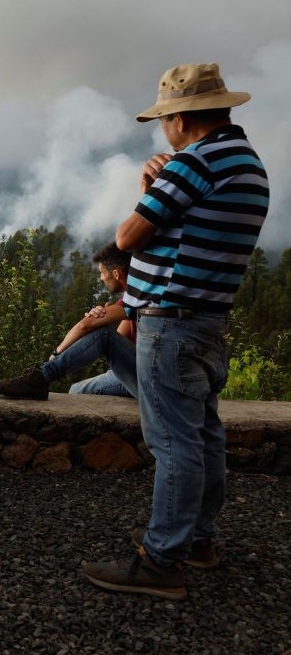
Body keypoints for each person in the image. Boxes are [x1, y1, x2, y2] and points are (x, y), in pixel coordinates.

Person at [82, 63, 269, 600]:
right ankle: (198, 540)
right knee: (204, 435)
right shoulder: (247, 163)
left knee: (172, 442)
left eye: (164, 120)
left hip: (171, 323)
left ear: (181, 119)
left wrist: (150, 185)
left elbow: (127, 238)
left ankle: (162, 560)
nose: (164, 130)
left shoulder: (192, 163)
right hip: (208, 320)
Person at [0, 242, 137, 400]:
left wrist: (57, 353)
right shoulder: (128, 301)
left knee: (104, 336)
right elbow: (119, 341)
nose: (101, 278)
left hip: (150, 377)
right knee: (76, 390)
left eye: (102, 273)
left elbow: (85, 326)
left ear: (116, 274)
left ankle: (41, 378)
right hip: (139, 368)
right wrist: (105, 320)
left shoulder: (138, 299)